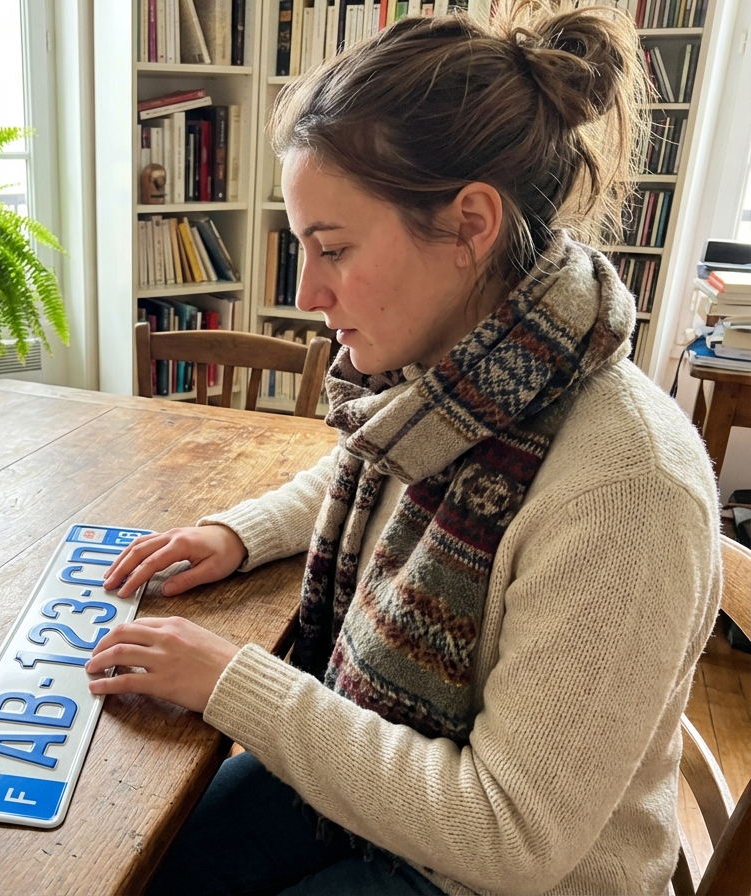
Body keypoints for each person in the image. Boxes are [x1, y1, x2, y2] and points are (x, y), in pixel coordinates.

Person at [83, 3, 722, 894]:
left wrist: (233, 680)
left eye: (334, 249)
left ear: (469, 224)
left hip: (492, 875)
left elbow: (509, 835)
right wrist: (238, 534)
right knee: (130, 866)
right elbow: (367, 468)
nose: (307, 293)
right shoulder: (464, 379)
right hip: (392, 788)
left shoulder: (628, 491)